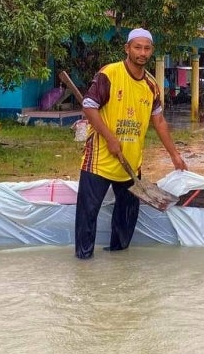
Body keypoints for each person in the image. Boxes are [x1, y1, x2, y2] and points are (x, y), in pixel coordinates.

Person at [74, 28, 187, 259]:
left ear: (151, 51)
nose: (142, 52)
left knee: (126, 219)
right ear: (127, 48)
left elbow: (159, 120)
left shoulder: (151, 85)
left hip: (131, 164)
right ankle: (83, 264)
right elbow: (88, 106)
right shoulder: (110, 74)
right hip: (100, 161)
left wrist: (174, 155)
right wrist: (110, 138)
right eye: (137, 47)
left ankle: (119, 261)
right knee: (88, 215)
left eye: (146, 48)